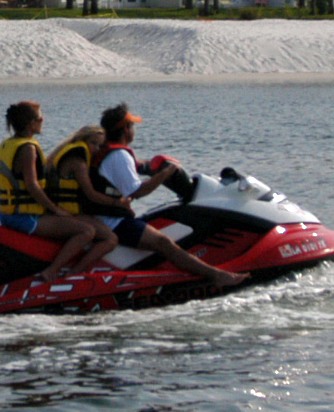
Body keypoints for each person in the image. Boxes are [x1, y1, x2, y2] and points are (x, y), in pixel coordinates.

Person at [87, 103, 247, 287]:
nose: (134, 130)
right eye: (132, 126)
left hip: (105, 216)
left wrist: (154, 165)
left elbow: (136, 166)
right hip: (112, 221)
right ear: (125, 129)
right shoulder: (118, 156)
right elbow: (139, 191)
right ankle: (216, 275)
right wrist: (166, 173)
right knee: (164, 242)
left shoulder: (110, 151)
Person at [0, 101, 117, 282]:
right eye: (39, 117)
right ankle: (53, 272)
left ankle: (70, 268)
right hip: (25, 217)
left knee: (105, 234)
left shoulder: (8, 143)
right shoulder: (28, 149)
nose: (42, 119)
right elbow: (32, 185)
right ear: (30, 123)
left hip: (13, 213)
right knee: (86, 231)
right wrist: (55, 209)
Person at [45, 124, 121, 251]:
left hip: (59, 211)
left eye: (100, 145)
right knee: (111, 238)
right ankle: (70, 270)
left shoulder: (65, 153)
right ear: (82, 140)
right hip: (67, 212)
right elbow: (91, 193)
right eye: (93, 143)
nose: (96, 148)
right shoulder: (78, 162)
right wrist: (118, 203)